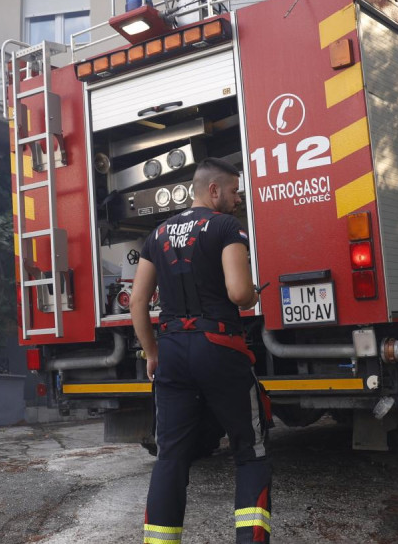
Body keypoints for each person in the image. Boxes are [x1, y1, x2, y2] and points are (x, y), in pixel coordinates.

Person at [131, 157, 272, 544]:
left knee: (171, 455)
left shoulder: (156, 234)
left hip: (172, 352)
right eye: (233, 190)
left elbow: (137, 302)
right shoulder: (226, 226)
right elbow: (239, 294)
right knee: (249, 450)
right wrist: (254, 290)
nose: (236, 198)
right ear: (213, 190)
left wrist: (151, 352)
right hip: (219, 348)